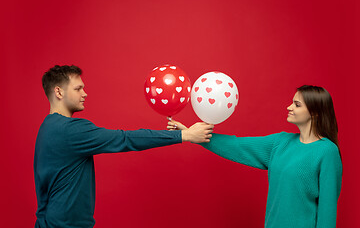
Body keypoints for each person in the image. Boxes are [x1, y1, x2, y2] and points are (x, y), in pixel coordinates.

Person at [34, 65, 214, 228]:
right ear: (58, 92)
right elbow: (126, 139)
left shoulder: (47, 127)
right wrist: (185, 135)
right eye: (78, 88)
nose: (85, 93)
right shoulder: (71, 130)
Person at [168, 85, 342, 228]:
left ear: (315, 113)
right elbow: (236, 145)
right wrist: (190, 134)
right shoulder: (281, 142)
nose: (289, 107)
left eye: (297, 105)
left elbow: (327, 211)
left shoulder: (327, 151)